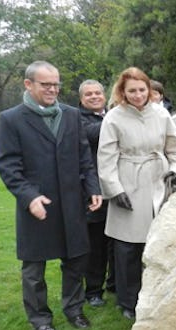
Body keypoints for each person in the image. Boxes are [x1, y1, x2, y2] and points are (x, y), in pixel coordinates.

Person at [0, 61, 102, 330]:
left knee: (76, 261)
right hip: (37, 206)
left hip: (72, 203)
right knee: (33, 270)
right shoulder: (11, 119)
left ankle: (74, 310)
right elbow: (8, 165)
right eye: (46, 84)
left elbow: (83, 158)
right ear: (28, 84)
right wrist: (29, 196)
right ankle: (41, 320)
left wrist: (92, 188)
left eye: (56, 84)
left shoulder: (70, 115)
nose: (53, 89)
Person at [98, 67, 176, 320]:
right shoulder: (114, 117)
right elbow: (105, 158)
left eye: (142, 89)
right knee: (127, 247)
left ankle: (156, 292)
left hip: (158, 183)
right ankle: (127, 300)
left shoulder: (161, 114)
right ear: (122, 92)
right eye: (132, 91)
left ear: (149, 89)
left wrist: (175, 171)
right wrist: (114, 190)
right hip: (127, 183)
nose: (138, 95)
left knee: (158, 242)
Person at [77, 79, 114, 308]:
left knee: (117, 242)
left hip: (118, 188)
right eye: (88, 94)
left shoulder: (111, 114)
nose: (94, 96)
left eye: (98, 93)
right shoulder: (76, 119)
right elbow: (92, 134)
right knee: (97, 245)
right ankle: (93, 291)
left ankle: (115, 284)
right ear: (81, 99)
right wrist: (118, 117)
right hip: (94, 190)